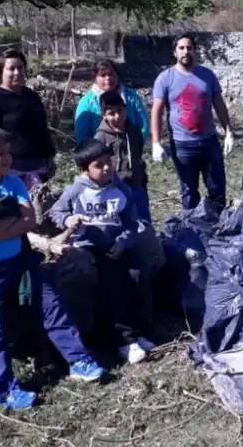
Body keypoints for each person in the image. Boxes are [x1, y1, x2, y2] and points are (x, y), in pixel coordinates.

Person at [0, 127, 104, 410]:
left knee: (52, 304)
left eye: (8, 152)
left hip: (21, 262)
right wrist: (11, 224)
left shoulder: (14, 183)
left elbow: (30, 219)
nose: (7, 158)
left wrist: (2, 226)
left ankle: (78, 360)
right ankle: (4, 388)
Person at [48, 139, 153, 365]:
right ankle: (124, 341)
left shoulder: (120, 187)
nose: (106, 168)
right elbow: (56, 212)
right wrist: (68, 219)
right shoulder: (76, 190)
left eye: (108, 162)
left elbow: (132, 223)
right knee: (112, 283)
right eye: (99, 164)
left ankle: (138, 331)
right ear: (85, 169)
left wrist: (124, 241)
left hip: (117, 244)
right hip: (90, 246)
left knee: (136, 276)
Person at [151, 33, 234, 210]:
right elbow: (157, 111)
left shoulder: (207, 76)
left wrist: (228, 132)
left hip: (209, 141)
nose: (186, 51)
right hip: (182, 145)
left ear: (195, 50)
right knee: (189, 192)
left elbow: (219, 104)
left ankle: (218, 226)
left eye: (189, 47)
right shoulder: (165, 78)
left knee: (217, 189)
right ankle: (191, 231)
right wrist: (156, 143)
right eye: (181, 48)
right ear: (175, 52)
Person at [0, 49, 56, 188]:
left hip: (38, 166)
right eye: (11, 69)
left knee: (39, 206)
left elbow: (42, 129)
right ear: (1, 72)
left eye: (20, 68)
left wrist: (49, 156)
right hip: (10, 168)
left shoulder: (32, 97)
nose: (17, 73)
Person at [94, 90, 150, 224]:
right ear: (104, 116)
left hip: (136, 183)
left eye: (120, 110)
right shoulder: (101, 137)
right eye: (111, 113)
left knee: (143, 219)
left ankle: (147, 242)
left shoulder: (134, 131)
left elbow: (138, 152)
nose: (117, 116)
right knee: (122, 222)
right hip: (115, 187)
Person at [74, 59, 150, 143]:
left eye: (111, 74)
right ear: (95, 77)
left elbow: (144, 125)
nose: (108, 78)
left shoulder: (131, 97)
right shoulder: (86, 103)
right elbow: (81, 135)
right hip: (99, 152)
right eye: (103, 75)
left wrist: (136, 145)